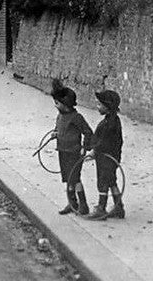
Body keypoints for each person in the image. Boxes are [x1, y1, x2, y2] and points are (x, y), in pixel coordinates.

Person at [51, 81, 93, 215]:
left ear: (65, 104)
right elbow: (58, 127)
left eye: (57, 103)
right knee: (67, 178)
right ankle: (72, 202)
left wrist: (84, 147)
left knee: (75, 179)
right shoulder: (60, 116)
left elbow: (88, 132)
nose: (55, 105)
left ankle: (83, 205)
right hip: (63, 150)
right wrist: (55, 133)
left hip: (74, 152)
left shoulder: (76, 117)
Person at [86, 90, 125, 221]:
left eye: (99, 105)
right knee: (112, 181)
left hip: (106, 158)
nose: (97, 107)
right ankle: (119, 207)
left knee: (103, 181)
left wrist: (94, 151)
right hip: (112, 157)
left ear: (107, 108)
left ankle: (101, 208)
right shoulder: (113, 120)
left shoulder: (109, 124)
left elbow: (104, 142)